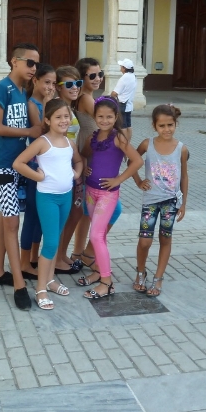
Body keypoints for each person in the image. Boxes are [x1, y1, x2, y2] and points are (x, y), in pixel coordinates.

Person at [13, 99, 83, 310]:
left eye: (66, 116)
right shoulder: (43, 142)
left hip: (65, 197)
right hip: (48, 199)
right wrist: (38, 177)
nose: (63, 120)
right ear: (48, 120)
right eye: (58, 117)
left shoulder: (69, 143)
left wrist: (76, 174)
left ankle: (50, 280)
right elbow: (18, 163)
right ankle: (40, 289)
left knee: (57, 239)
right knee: (51, 243)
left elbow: (78, 161)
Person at [0, 43, 42, 310]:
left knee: (6, 215)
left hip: (19, 165)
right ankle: (20, 285)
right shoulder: (3, 88)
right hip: (4, 166)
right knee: (12, 223)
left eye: (36, 64)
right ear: (14, 61)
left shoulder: (22, 91)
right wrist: (29, 132)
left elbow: (37, 126)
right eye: (29, 62)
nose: (33, 68)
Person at [79, 97, 143, 299]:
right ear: (94, 117)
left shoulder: (119, 138)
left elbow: (137, 160)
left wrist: (118, 179)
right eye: (100, 116)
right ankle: (99, 271)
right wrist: (85, 167)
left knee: (96, 235)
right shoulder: (92, 138)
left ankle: (107, 283)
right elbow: (83, 154)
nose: (104, 120)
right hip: (91, 193)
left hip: (107, 194)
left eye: (109, 117)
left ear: (116, 117)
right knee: (100, 236)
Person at [71, 57, 123, 273]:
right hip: (91, 152)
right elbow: (107, 118)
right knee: (113, 209)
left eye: (100, 74)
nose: (98, 78)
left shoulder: (85, 96)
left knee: (86, 211)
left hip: (91, 150)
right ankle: (88, 252)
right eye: (92, 75)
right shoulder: (86, 98)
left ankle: (80, 253)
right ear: (82, 78)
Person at [132, 104, 189, 297]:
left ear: (176, 124)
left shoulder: (181, 149)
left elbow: (184, 176)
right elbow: (132, 161)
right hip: (150, 201)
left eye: (170, 125)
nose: (166, 129)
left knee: (165, 238)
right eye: (162, 126)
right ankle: (140, 272)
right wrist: (138, 181)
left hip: (170, 202)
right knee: (144, 241)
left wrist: (183, 203)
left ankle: (158, 278)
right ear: (154, 126)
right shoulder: (147, 144)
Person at [19, 64, 57, 279]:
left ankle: (34, 257)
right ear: (35, 81)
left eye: (54, 83)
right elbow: (42, 131)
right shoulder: (33, 104)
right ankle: (24, 261)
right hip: (35, 166)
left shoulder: (46, 102)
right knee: (32, 215)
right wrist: (49, 104)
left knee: (41, 217)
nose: (50, 87)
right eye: (47, 82)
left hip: (48, 165)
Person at [52, 65, 84, 275]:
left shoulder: (70, 107)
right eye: (69, 84)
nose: (75, 87)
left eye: (78, 83)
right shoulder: (59, 108)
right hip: (63, 166)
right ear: (58, 87)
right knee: (67, 213)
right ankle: (56, 259)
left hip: (72, 164)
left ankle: (62, 254)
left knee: (75, 211)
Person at [111, 58, 136, 142]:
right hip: (129, 104)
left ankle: (123, 143)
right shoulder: (133, 76)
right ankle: (128, 142)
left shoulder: (124, 78)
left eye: (121, 66)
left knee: (122, 125)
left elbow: (115, 93)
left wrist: (110, 97)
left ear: (124, 68)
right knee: (128, 125)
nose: (120, 68)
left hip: (122, 104)